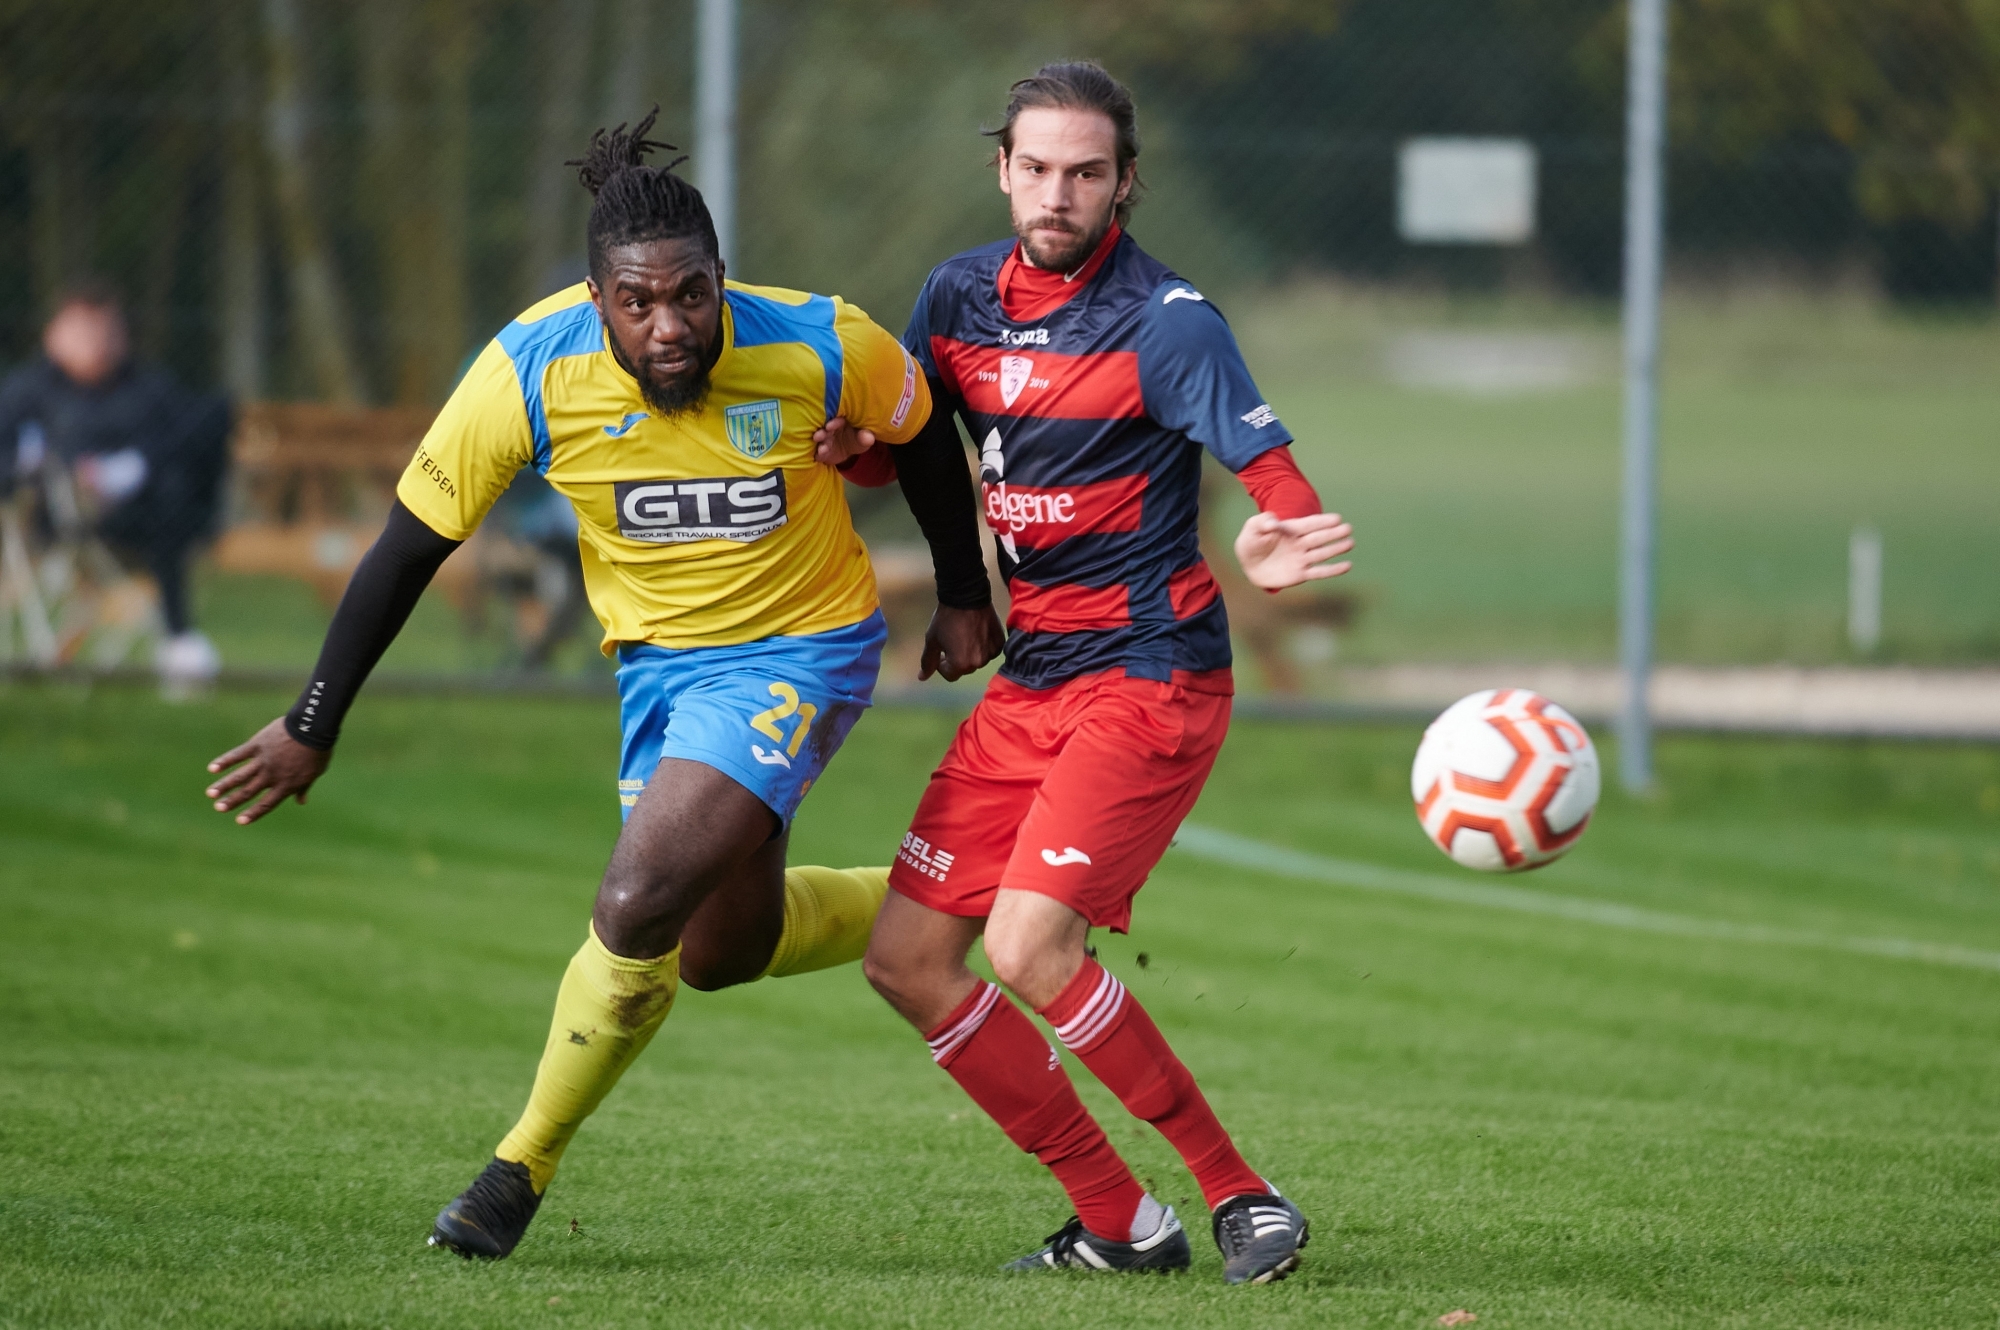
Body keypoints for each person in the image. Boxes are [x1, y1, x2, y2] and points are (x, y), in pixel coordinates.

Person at [201, 111, 1004, 1259]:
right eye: (638, 303)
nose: (670, 328)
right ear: (596, 300)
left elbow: (922, 433)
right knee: (721, 950)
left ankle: (513, 1169)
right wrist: (312, 720)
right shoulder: (527, 369)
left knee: (631, 906)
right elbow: (407, 547)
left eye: (691, 296)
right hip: (656, 671)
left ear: (722, 280)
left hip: (799, 649)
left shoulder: (825, 342)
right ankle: (975, 886)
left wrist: (963, 592)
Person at [855, 62, 1353, 1285]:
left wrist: (1273, 534)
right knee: (906, 962)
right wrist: (850, 449)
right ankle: (1121, 1223)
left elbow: (1280, 488)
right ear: (1003, 169)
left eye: (1086, 172)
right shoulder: (956, 297)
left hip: (1149, 678)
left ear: (1124, 182)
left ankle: (1241, 1193)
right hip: (1032, 684)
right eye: (1037, 169)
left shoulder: (1168, 320)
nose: (1057, 194)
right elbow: (905, 445)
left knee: (1028, 948)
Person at [0, 284, 231, 684]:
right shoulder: (28, 392)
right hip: (48, 518)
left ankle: (179, 639)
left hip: (136, 521)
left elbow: (198, 432)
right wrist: (42, 469)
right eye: (83, 332)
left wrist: (132, 467)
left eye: (105, 331)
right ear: (54, 335)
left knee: (172, 489)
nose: (97, 344)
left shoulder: (147, 388)